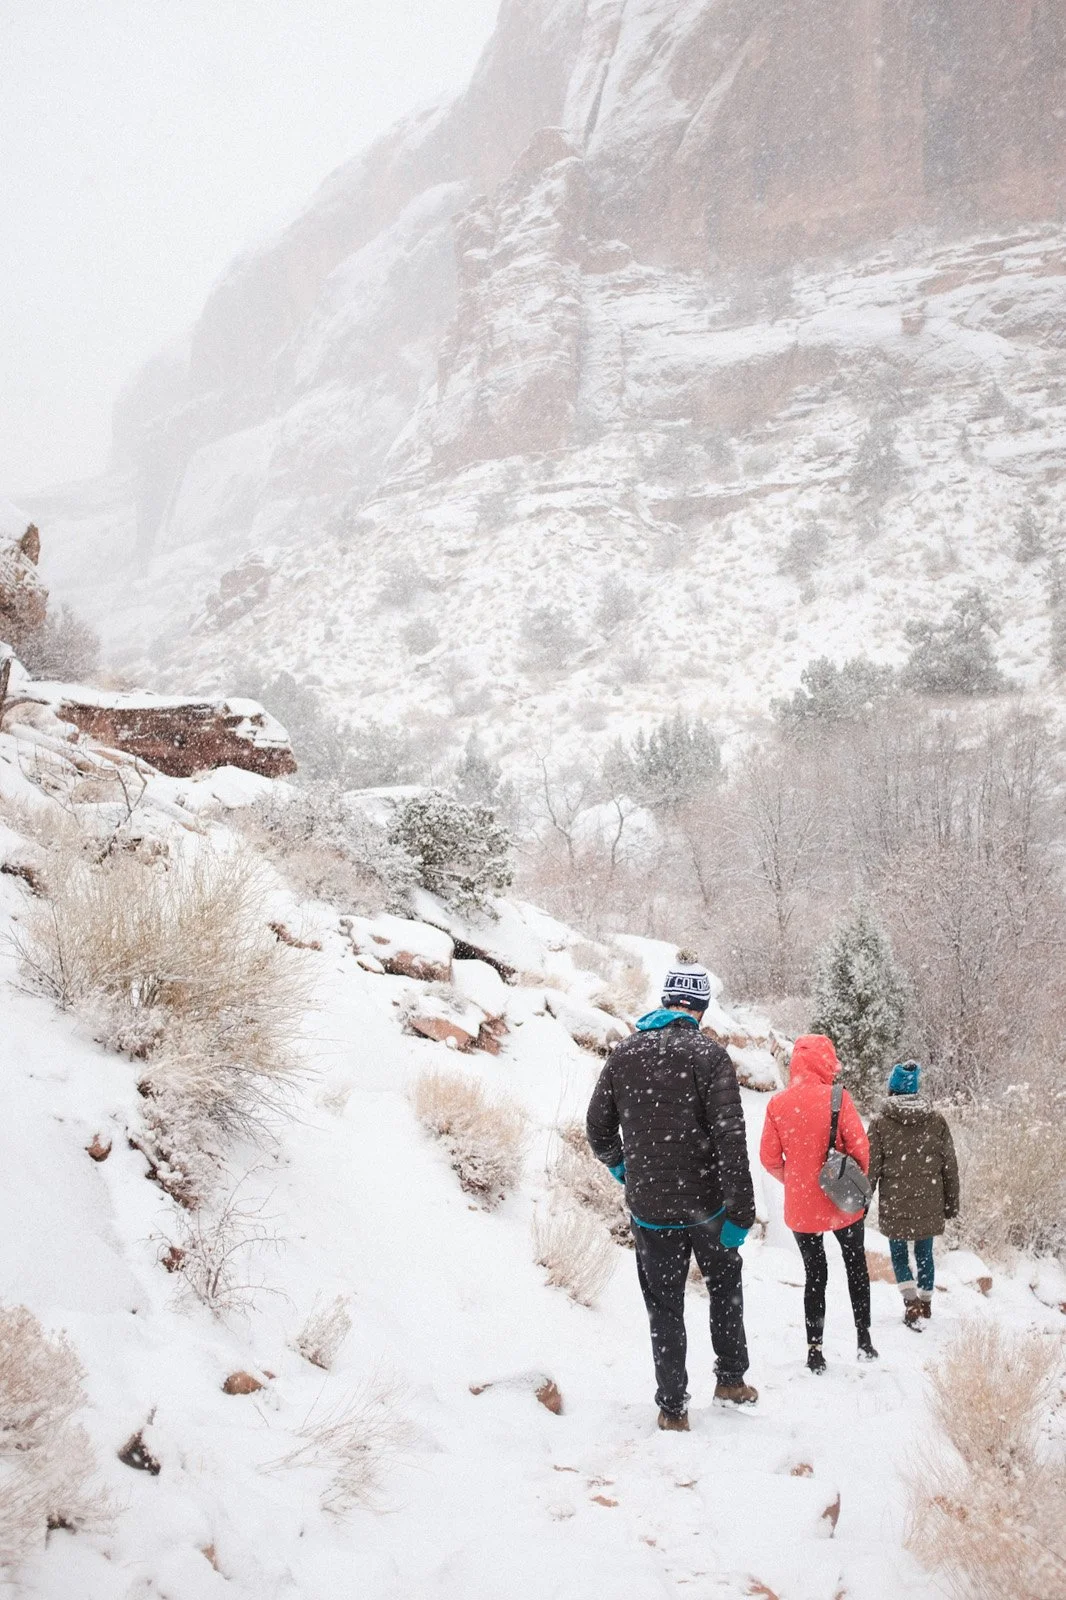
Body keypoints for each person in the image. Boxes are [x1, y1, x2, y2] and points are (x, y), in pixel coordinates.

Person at [586, 963, 758, 1432]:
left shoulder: (624, 1055)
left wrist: (624, 1167)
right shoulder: (710, 1057)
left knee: (664, 1304)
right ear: (700, 1008)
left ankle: (673, 1407)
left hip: (651, 1209)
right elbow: (730, 1141)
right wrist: (741, 1212)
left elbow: (597, 1128)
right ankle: (730, 1379)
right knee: (725, 1288)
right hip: (708, 1206)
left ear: (666, 1002)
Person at [759, 1034, 876, 1372]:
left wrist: (796, 1180)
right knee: (856, 1266)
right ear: (827, 1062)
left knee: (815, 1275)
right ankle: (864, 1340)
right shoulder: (839, 1098)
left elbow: (768, 1158)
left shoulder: (778, 1105)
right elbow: (860, 1150)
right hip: (842, 1202)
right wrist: (845, 1184)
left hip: (802, 1208)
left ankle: (815, 1351)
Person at [868, 1061, 959, 1329]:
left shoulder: (880, 1123)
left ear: (892, 1089)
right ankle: (926, 1301)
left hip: (895, 1200)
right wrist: (951, 1203)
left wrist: (861, 1204)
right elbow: (949, 1166)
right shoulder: (936, 1120)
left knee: (898, 1253)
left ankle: (910, 1303)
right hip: (929, 1200)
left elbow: (870, 1168)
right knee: (924, 1252)